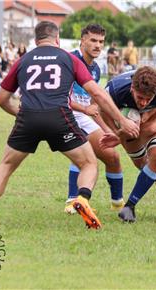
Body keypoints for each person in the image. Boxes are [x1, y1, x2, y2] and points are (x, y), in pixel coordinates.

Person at [0, 21, 139, 230]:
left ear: (35, 40)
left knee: (6, 165)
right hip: (59, 118)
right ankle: (82, 198)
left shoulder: (23, 60)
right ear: (57, 38)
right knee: (88, 163)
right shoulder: (68, 58)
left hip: (28, 118)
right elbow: (97, 93)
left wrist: (19, 114)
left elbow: (2, 99)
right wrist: (122, 120)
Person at [63, 24, 125, 214]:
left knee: (112, 156)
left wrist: (107, 129)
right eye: (93, 40)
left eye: (101, 42)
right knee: (86, 155)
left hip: (83, 116)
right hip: (67, 114)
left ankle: (117, 204)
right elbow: (59, 97)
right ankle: (73, 201)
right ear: (82, 40)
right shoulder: (70, 60)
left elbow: (93, 104)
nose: (98, 45)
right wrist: (85, 109)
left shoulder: (96, 68)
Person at [98, 67, 156, 223]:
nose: (143, 102)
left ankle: (129, 206)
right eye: (140, 97)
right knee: (142, 164)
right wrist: (115, 132)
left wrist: (148, 113)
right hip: (126, 126)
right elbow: (102, 109)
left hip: (154, 119)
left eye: (149, 99)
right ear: (132, 87)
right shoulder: (115, 89)